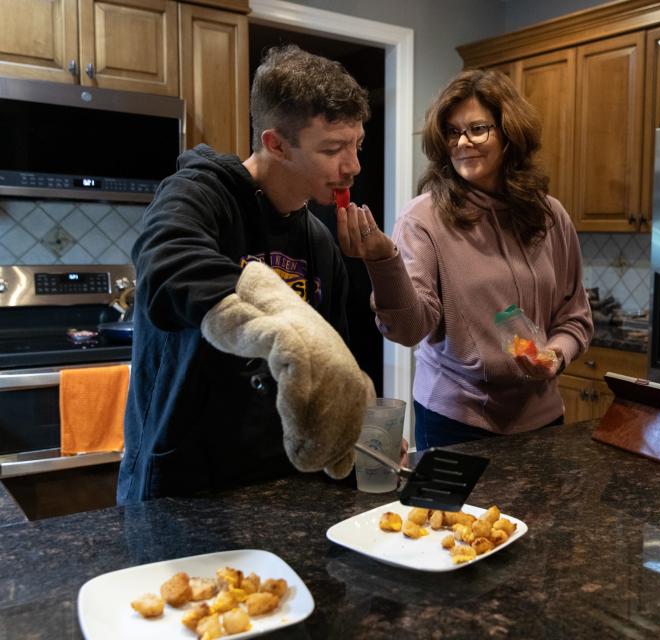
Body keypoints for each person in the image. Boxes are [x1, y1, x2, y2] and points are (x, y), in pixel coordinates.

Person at [117, 45, 373, 504]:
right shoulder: (200, 194)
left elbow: (328, 359)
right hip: (186, 481)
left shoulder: (318, 240)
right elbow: (166, 266)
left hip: (282, 479)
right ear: (275, 143)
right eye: (333, 149)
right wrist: (275, 320)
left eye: (357, 144)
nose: (353, 166)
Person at [337, 69, 593, 449]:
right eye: (453, 132)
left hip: (542, 417)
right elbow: (408, 330)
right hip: (455, 419)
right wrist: (384, 259)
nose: (462, 143)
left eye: (477, 129)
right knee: (450, 513)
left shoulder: (549, 215)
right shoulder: (422, 218)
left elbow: (575, 316)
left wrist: (556, 355)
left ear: (509, 134)